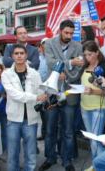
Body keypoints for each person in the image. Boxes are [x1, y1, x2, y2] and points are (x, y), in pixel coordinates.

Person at [40, 20, 84, 171]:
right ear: (60, 31)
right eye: (66, 33)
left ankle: (67, 160)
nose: (69, 35)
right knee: (50, 129)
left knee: (68, 130)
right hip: (52, 92)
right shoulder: (50, 44)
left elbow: (80, 68)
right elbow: (51, 63)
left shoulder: (78, 46)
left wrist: (67, 75)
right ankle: (50, 158)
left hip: (70, 93)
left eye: (71, 33)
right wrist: (71, 62)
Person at [1, 44, 47, 171]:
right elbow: (14, 95)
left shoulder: (34, 73)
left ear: (26, 55)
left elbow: (40, 91)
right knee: (13, 152)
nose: (19, 55)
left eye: (22, 53)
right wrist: (36, 97)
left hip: (31, 119)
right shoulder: (6, 74)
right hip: (13, 119)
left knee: (31, 152)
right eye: (16, 53)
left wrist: (44, 96)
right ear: (12, 56)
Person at [81, 41, 105, 171]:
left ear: (97, 52)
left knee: (96, 140)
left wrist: (93, 91)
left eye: (90, 54)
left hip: (98, 107)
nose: (87, 57)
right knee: (91, 139)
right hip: (84, 107)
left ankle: (102, 165)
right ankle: (97, 165)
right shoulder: (84, 66)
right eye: (85, 54)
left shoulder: (103, 68)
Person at [37, 38, 49, 141]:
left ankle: (48, 133)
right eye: (44, 45)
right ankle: (44, 133)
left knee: (49, 114)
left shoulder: (53, 58)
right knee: (43, 114)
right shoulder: (38, 59)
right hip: (40, 90)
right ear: (41, 47)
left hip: (51, 91)